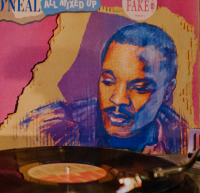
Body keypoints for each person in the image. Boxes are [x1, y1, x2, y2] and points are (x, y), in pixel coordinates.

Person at [20, 22, 188, 154]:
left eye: (139, 88)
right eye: (108, 82)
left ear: (167, 91)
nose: (118, 99)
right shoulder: (51, 127)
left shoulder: (184, 137)